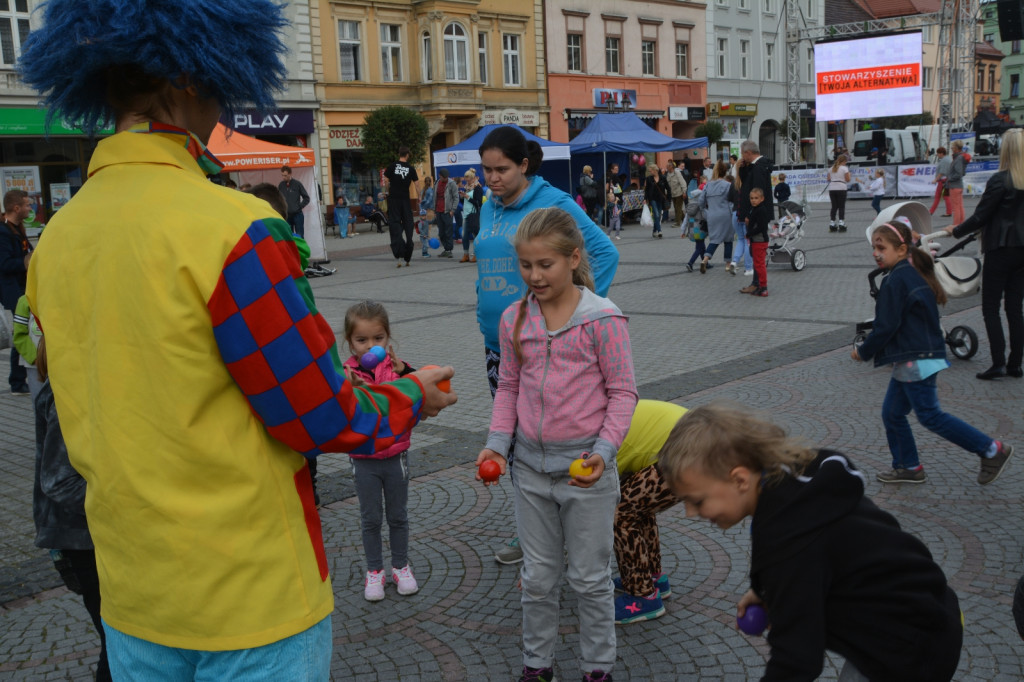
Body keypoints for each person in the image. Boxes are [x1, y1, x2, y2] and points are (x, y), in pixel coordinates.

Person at [20, 2, 457, 677]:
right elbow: (317, 412)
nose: (224, 107)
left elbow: (59, 372)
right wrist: (407, 395)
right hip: (249, 594)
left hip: (135, 591)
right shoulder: (235, 228)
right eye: (222, 86)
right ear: (189, 78)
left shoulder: (57, 239)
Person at [659, 403, 965, 682]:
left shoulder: (788, 540)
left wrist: (782, 584)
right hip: (930, 609)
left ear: (739, 480)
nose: (689, 513)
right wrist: (769, 590)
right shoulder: (801, 482)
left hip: (908, 653)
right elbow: (844, 552)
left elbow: (796, 660)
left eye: (696, 501)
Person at [476, 206, 637, 682]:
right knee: (538, 579)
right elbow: (507, 386)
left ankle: (597, 668)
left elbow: (624, 392)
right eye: (526, 265)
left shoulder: (603, 319)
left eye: (545, 265)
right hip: (529, 470)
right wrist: (495, 444)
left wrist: (603, 453)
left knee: (589, 579)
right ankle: (537, 664)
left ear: (573, 258)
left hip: (587, 471)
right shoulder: (513, 319)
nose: (534, 276)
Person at [473, 126, 619, 566]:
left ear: (524, 165)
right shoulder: (487, 207)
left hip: (547, 343)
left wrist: (573, 315)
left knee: (549, 437)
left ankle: (567, 528)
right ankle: (533, 531)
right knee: (515, 441)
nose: (492, 178)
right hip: (498, 342)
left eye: (501, 170)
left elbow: (605, 254)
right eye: (485, 170)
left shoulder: (553, 203)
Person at [852, 221, 1012, 484]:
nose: (876, 253)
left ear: (902, 249)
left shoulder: (897, 280)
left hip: (917, 358)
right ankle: (909, 467)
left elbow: (885, 326)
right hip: (915, 355)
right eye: (873, 248)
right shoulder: (905, 273)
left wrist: (864, 351)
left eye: (881, 247)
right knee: (892, 413)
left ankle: (992, 449)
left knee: (930, 415)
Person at [32, 338, 112, 682]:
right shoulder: (66, 395)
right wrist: (127, 509)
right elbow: (60, 482)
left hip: (81, 537)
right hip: (82, 540)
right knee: (119, 641)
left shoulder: (66, 390)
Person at [341, 301, 422, 601]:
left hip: (396, 455)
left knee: (398, 516)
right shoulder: (346, 375)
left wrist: (405, 372)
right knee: (371, 518)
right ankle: (374, 571)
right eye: (362, 340)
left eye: (378, 338)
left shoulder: (398, 369)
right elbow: (340, 414)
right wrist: (347, 389)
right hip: (364, 459)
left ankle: (401, 566)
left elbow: (418, 395)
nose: (370, 346)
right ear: (350, 342)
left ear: (388, 338)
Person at [942, 127, 1024, 381]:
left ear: (1005, 150)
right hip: (1022, 251)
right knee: (1015, 308)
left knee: (990, 307)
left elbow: (980, 216)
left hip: (999, 249)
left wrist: (956, 232)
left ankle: (998, 362)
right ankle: (1015, 364)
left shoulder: (1000, 179)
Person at [611, 400, 688, 625]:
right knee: (637, 505)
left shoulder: (589, 441)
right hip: (691, 441)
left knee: (620, 512)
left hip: (684, 452)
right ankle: (653, 578)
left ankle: (642, 596)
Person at [0, 189, 32, 395]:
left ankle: (18, 380)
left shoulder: (17, 228)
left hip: (23, 288)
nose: (31, 208)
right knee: (22, 331)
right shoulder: (3, 232)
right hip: (13, 291)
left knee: (24, 331)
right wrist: (25, 261)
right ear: (16, 207)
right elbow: (4, 264)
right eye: (28, 205)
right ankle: (17, 382)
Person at [698, 161, 738, 274]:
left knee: (714, 240)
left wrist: (706, 212)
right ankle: (727, 264)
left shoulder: (708, 185)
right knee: (728, 240)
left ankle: (705, 259)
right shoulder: (728, 185)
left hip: (712, 215)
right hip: (726, 215)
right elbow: (731, 202)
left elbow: (701, 201)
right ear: (725, 172)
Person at [384, 146, 419, 268]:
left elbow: (386, 181)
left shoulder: (392, 166)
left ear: (399, 154)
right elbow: (417, 184)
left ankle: (399, 249)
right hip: (405, 200)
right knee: (408, 223)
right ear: (407, 155)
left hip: (394, 199)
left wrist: (387, 192)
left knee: (394, 224)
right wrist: (419, 197)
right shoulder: (410, 168)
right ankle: (408, 250)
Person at [739, 188, 772, 297]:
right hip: (755, 240)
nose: (753, 200)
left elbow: (761, 227)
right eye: (752, 198)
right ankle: (760, 286)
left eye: (756, 198)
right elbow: (752, 221)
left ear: (762, 199)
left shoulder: (761, 210)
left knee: (760, 265)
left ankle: (764, 287)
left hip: (760, 240)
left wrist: (749, 234)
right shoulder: (754, 209)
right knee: (757, 265)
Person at [278, 164, 310, 238]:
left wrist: (299, 206)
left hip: (297, 215)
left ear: (290, 174)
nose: (283, 177)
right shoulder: (281, 185)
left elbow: (306, 198)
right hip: (287, 216)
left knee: (300, 236)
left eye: (285, 175)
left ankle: (300, 249)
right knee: (289, 237)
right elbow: (279, 199)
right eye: (282, 175)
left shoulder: (297, 184)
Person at [460, 169, 483, 263]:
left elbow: (478, 203)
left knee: (475, 235)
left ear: (473, 178)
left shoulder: (478, 188)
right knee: (464, 236)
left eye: (468, 180)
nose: (467, 181)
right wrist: (462, 197)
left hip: (473, 214)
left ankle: (476, 255)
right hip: (466, 214)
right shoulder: (467, 187)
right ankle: (466, 254)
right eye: (466, 180)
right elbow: (465, 201)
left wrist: (467, 197)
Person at [435, 168, 458, 258]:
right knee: (441, 232)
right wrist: (434, 210)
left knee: (448, 231)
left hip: (447, 211)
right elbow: (435, 196)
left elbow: (456, 197)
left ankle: (449, 250)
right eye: (444, 178)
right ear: (440, 176)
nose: (445, 179)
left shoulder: (452, 183)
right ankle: (446, 249)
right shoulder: (437, 183)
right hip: (438, 210)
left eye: (446, 177)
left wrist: (453, 210)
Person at [684, 187, 707, 273]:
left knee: (701, 246)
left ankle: (705, 263)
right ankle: (690, 263)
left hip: (692, 229)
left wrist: (683, 231)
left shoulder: (689, 207)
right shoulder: (700, 207)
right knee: (699, 248)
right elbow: (705, 216)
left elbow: (685, 220)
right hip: (700, 229)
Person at [826, 154, 851, 232]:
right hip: (841, 187)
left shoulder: (831, 168)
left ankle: (832, 222)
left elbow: (828, 178)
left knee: (834, 206)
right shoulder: (844, 168)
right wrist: (849, 175)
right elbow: (847, 179)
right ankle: (841, 222)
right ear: (844, 161)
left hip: (832, 188)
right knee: (841, 206)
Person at [644, 165, 669, 238]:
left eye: (651, 170)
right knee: (656, 214)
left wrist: (669, 198)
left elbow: (668, 188)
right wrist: (645, 199)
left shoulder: (663, 178)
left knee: (658, 215)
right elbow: (647, 190)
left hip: (660, 199)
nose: (650, 172)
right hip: (652, 199)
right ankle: (659, 230)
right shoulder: (649, 179)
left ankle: (654, 230)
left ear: (655, 170)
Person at [946, 140, 967, 226]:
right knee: (960, 206)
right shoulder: (961, 157)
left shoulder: (958, 158)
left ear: (956, 148)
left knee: (956, 207)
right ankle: (961, 224)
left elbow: (959, 173)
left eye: (953, 147)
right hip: (958, 185)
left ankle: (956, 225)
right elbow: (962, 172)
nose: (951, 148)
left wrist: (949, 178)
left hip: (955, 186)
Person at [929, 146, 953, 217]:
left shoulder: (944, 161)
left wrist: (935, 179)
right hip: (946, 180)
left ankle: (931, 211)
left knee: (938, 196)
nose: (937, 155)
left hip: (942, 180)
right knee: (946, 196)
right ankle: (949, 211)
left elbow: (942, 172)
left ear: (942, 153)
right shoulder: (948, 159)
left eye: (938, 153)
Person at [666, 160, 688, 227]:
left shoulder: (677, 173)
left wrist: (684, 192)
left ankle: (677, 223)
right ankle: (685, 220)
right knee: (676, 208)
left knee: (678, 208)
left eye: (668, 166)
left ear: (671, 167)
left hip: (679, 193)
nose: (666, 167)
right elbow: (667, 184)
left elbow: (682, 182)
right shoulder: (668, 174)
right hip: (673, 193)